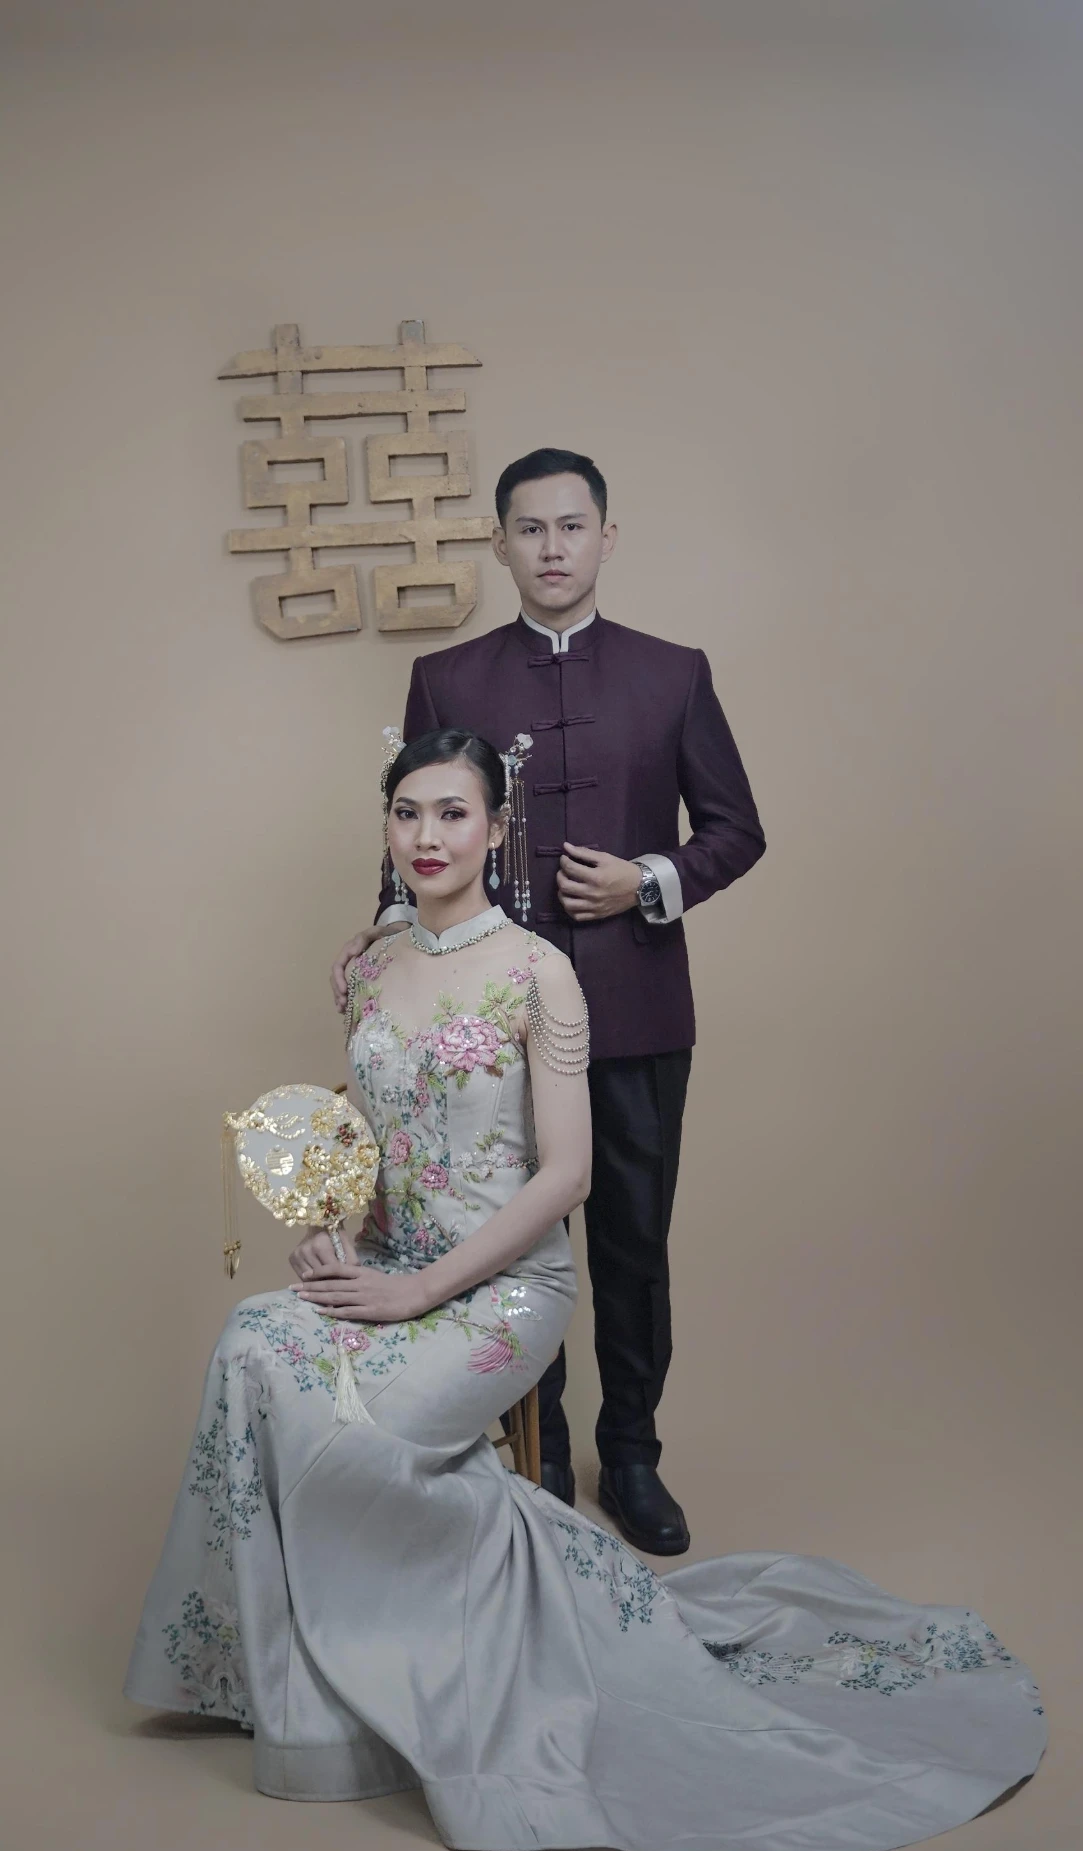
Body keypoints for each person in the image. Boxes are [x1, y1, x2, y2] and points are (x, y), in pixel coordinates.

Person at [126, 728, 1044, 1851]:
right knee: (251, 1343)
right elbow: (371, 1133)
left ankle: (411, 1676)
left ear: (496, 827)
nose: (427, 836)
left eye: (453, 813)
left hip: (503, 1290)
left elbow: (564, 1176)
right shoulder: (364, 965)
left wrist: (419, 1292)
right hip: (393, 1262)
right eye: (407, 813)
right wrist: (331, 1233)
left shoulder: (537, 972)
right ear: (386, 826)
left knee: (345, 1430)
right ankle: (248, 1674)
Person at [331, 448, 765, 1556]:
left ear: (605, 538)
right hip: (478, 1022)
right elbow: (417, 828)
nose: (553, 548)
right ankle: (538, 1449)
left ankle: (631, 1454)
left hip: (634, 1006)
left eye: (572, 527)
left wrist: (646, 881)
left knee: (631, 1244)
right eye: (530, 529)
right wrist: (384, 928)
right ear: (500, 544)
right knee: (505, 1235)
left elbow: (734, 830)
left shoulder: (672, 673)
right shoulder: (447, 677)